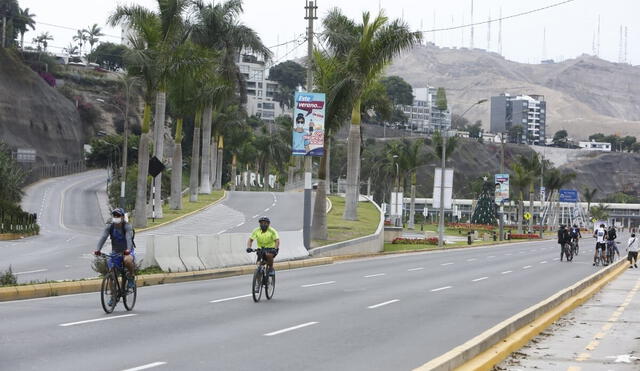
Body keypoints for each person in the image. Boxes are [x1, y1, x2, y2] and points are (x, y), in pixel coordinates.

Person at [94, 208, 135, 288]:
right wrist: (98, 249)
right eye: (114, 215)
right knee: (111, 273)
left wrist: (128, 250)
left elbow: (129, 239)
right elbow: (103, 237)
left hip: (126, 251)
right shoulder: (110, 227)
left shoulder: (127, 226)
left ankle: (131, 276)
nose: (116, 217)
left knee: (128, 260)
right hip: (115, 252)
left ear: (122, 217)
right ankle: (113, 297)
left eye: (118, 215)